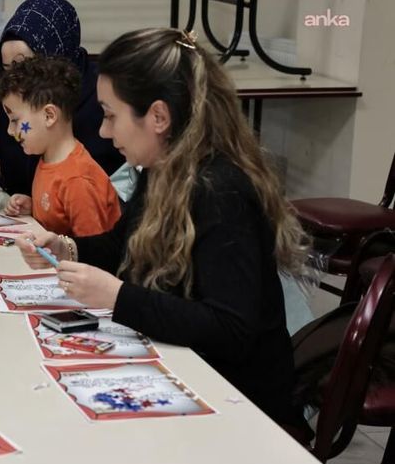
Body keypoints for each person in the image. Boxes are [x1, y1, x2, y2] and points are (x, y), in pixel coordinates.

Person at [16, 28, 309, 428]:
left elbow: (229, 329)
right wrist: (70, 249)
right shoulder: (162, 168)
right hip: (185, 374)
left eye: (111, 115)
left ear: (158, 117)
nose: (103, 131)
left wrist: (118, 297)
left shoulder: (220, 190)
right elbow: (126, 243)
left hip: (239, 409)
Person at [0, 0, 125, 196]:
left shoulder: (104, 96)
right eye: (7, 69)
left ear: (55, 58)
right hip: (21, 214)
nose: (16, 79)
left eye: (24, 66)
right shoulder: (8, 95)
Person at [0, 56, 121, 237]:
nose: (10, 130)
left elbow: (93, 252)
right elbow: (60, 219)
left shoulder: (77, 180)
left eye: (15, 121)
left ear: (49, 116)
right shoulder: (49, 159)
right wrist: (33, 207)